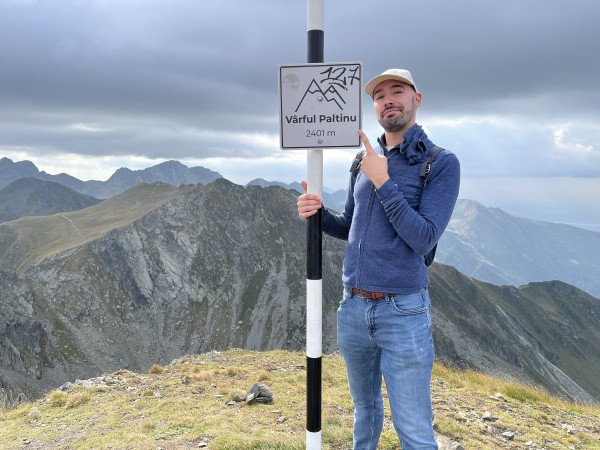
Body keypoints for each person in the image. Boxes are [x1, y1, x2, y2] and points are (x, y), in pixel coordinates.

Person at [297, 68, 460, 449]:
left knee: (414, 427)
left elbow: (423, 239)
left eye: (397, 91)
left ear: (416, 100)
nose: (388, 99)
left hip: (403, 310)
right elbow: (349, 225)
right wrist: (316, 214)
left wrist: (384, 181)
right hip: (352, 306)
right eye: (379, 95)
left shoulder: (440, 162)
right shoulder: (362, 161)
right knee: (365, 411)